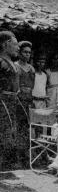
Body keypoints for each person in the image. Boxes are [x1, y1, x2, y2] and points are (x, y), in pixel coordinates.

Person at [0, 31, 20, 170]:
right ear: (6, 44)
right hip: (2, 103)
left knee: (8, 133)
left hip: (11, 102)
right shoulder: (1, 62)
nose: (17, 48)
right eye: (15, 44)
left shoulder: (10, 63)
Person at [15, 41, 35, 168]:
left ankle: (26, 158)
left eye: (29, 52)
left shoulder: (31, 68)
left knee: (27, 129)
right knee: (17, 129)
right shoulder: (15, 66)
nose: (27, 55)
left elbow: (31, 86)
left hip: (28, 100)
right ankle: (16, 159)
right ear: (19, 53)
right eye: (25, 52)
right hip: (17, 101)